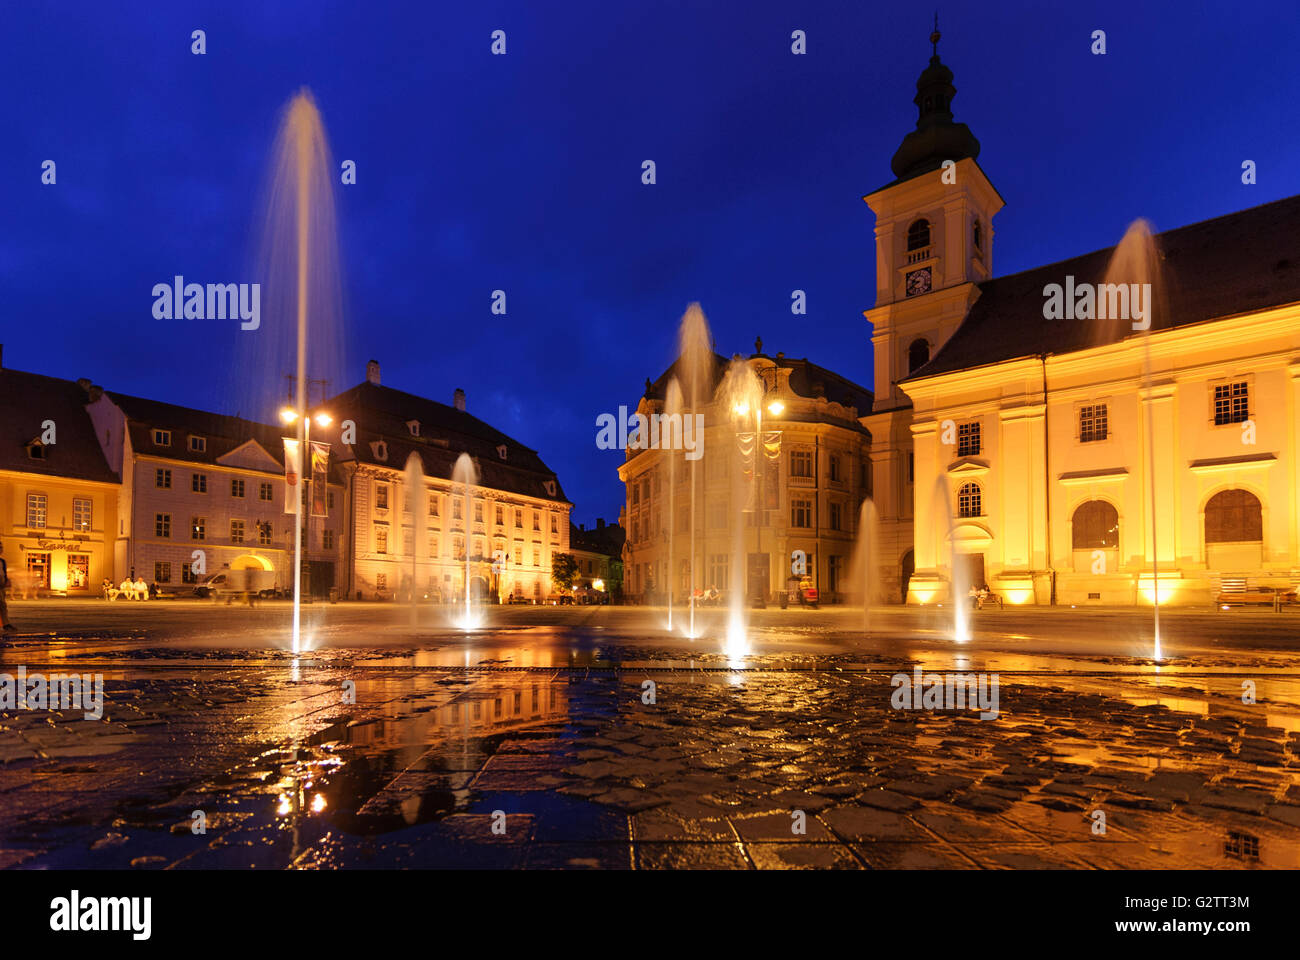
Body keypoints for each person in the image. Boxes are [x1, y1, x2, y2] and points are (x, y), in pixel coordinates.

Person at [0, 541, 16, 633]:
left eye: (1, 548)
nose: (1, 550)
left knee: (3, 605)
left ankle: (6, 624)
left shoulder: (2, 561)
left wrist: (6, 581)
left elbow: (4, 573)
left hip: (1, 585)